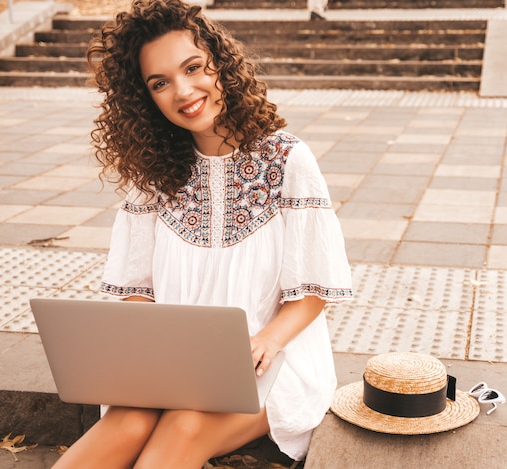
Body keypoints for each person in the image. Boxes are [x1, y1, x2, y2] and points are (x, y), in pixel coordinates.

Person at [53, 0, 353, 467]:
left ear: (221, 64)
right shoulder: (152, 175)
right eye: (160, 82)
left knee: (185, 425)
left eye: (193, 67)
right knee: (127, 421)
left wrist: (269, 341)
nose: (184, 90)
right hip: (171, 365)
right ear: (145, 97)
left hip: (271, 361)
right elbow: (137, 290)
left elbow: (316, 287)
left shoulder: (288, 160)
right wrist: (154, 348)